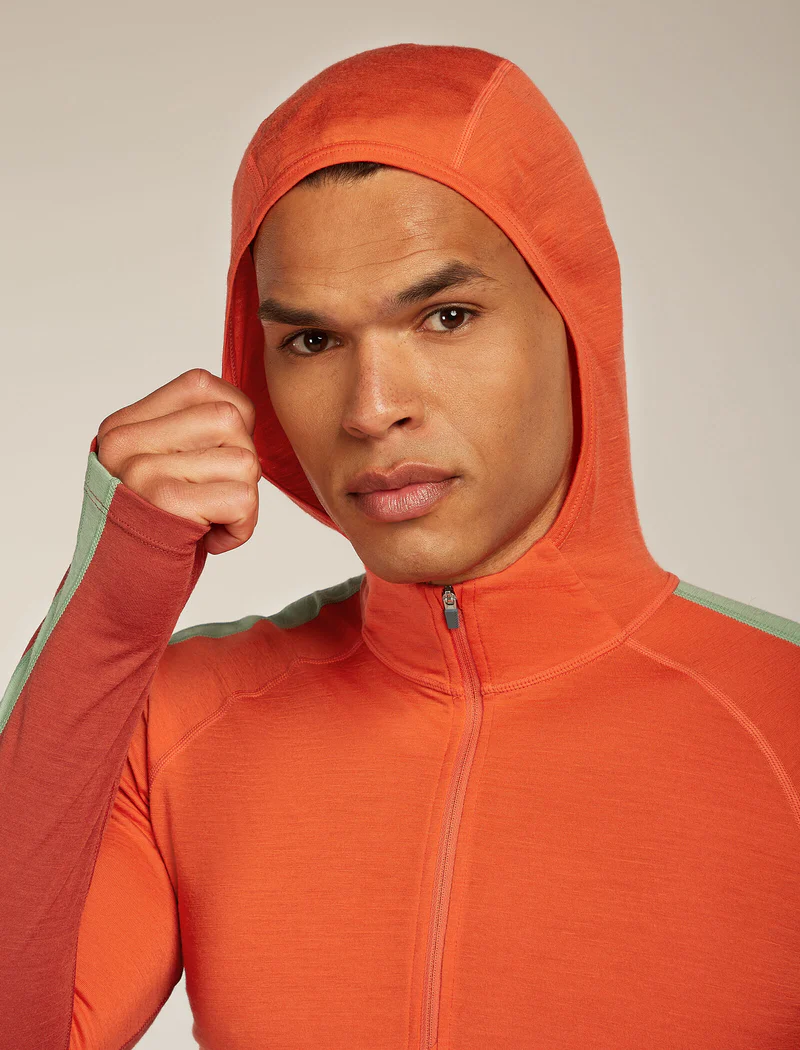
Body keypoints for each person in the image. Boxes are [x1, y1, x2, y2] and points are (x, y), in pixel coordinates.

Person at [1, 41, 799, 1050]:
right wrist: (106, 617)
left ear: (574, 318)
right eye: (312, 341)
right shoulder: (178, 722)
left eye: (446, 316)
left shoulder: (781, 718)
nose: (371, 409)